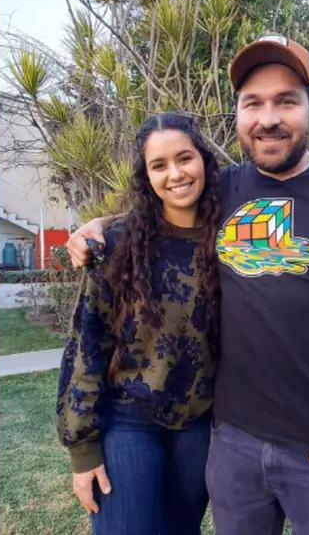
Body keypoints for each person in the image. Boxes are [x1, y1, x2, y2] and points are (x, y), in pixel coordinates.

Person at [65, 34, 309, 534]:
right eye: (252, 103)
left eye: (286, 101)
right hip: (232, 444)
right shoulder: (225, 188)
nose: (269, 118)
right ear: (237, 114)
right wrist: (99, 226)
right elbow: (162, 205)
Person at [57, 113, 223, 534]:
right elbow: (86, 344)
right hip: (128, 419)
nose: (175, 174)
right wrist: (83, 450)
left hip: (199, 423)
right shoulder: (115, 245)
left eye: (184, 158)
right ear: (145, 175)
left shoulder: (232, 238)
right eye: (159, 165)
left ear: (203, 158)